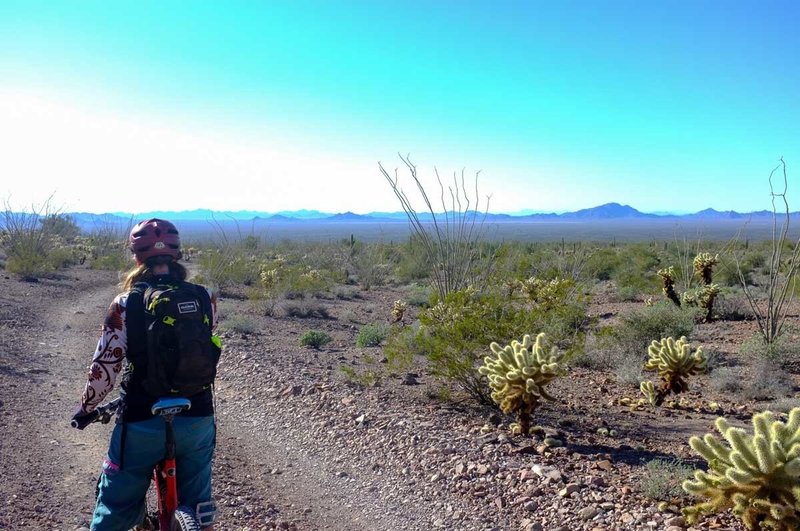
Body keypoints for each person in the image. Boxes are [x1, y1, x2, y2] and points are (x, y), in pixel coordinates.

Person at [72, 218, 219, 530]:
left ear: (136, 256)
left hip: (143, 416)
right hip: (198, 415)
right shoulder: (205, 297)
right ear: (177, 254)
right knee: (198, 505)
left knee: (115, 506)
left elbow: (105, 367)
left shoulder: (125, 304)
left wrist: (86, 409)